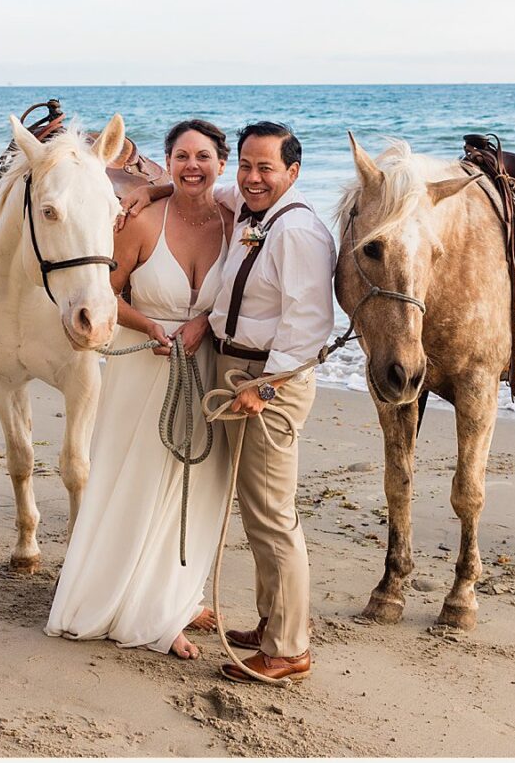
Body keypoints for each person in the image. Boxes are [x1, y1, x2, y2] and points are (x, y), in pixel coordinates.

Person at [122, 122, 336, 684]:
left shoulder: (299, 231)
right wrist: (152, 189)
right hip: (237, 368)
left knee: (272, 514)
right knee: (256, 506)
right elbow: (203, 186)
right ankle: (271, 625)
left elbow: (309, 326)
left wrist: (263, 388)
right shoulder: (249, 206)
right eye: (245, 165)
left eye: (266, 168)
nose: (252, 177)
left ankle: (288, 649)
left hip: (267, 382)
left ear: (293, 171)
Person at [44, 120, 234, 660]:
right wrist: (151, 326)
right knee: (135, 483)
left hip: (205, 367)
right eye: (181, 157)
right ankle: (134, 607)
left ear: (221, 164)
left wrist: (203, 325)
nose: (192, 166)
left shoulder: (234, 219)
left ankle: (175, 598)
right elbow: (107, 293)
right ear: (166, 162)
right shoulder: (143, 220)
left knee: (195, 489)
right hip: (145, 365)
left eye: (203, 156)